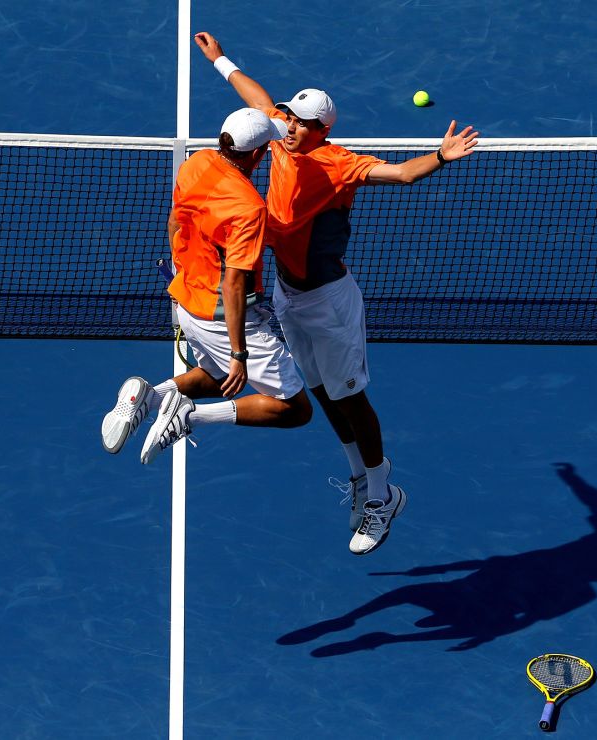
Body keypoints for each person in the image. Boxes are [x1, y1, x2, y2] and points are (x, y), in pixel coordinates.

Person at [193, 31, 479, 556]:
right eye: (290, 119)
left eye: (302, 123)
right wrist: (219, 60)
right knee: (323, 392)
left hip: (329, 303)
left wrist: (439, 155)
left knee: (350, 396)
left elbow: (401, 174)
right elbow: (253, 99)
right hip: (287, 296)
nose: (291, 127)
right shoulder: (279, 134)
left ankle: (383, 493)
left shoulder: (340, 164)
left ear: (322, 129)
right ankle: (358, 477)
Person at [101, 107, 313, 466]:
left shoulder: (196, 163)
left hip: (187, 300)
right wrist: (239, 354)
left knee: (216, 380)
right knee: (294, 408)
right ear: (258, 154)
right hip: (223, 316)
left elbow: (174, 222)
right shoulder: (248, 209)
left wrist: (183, 269)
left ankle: (147, 398)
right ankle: (189, 416)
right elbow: (233, 283)